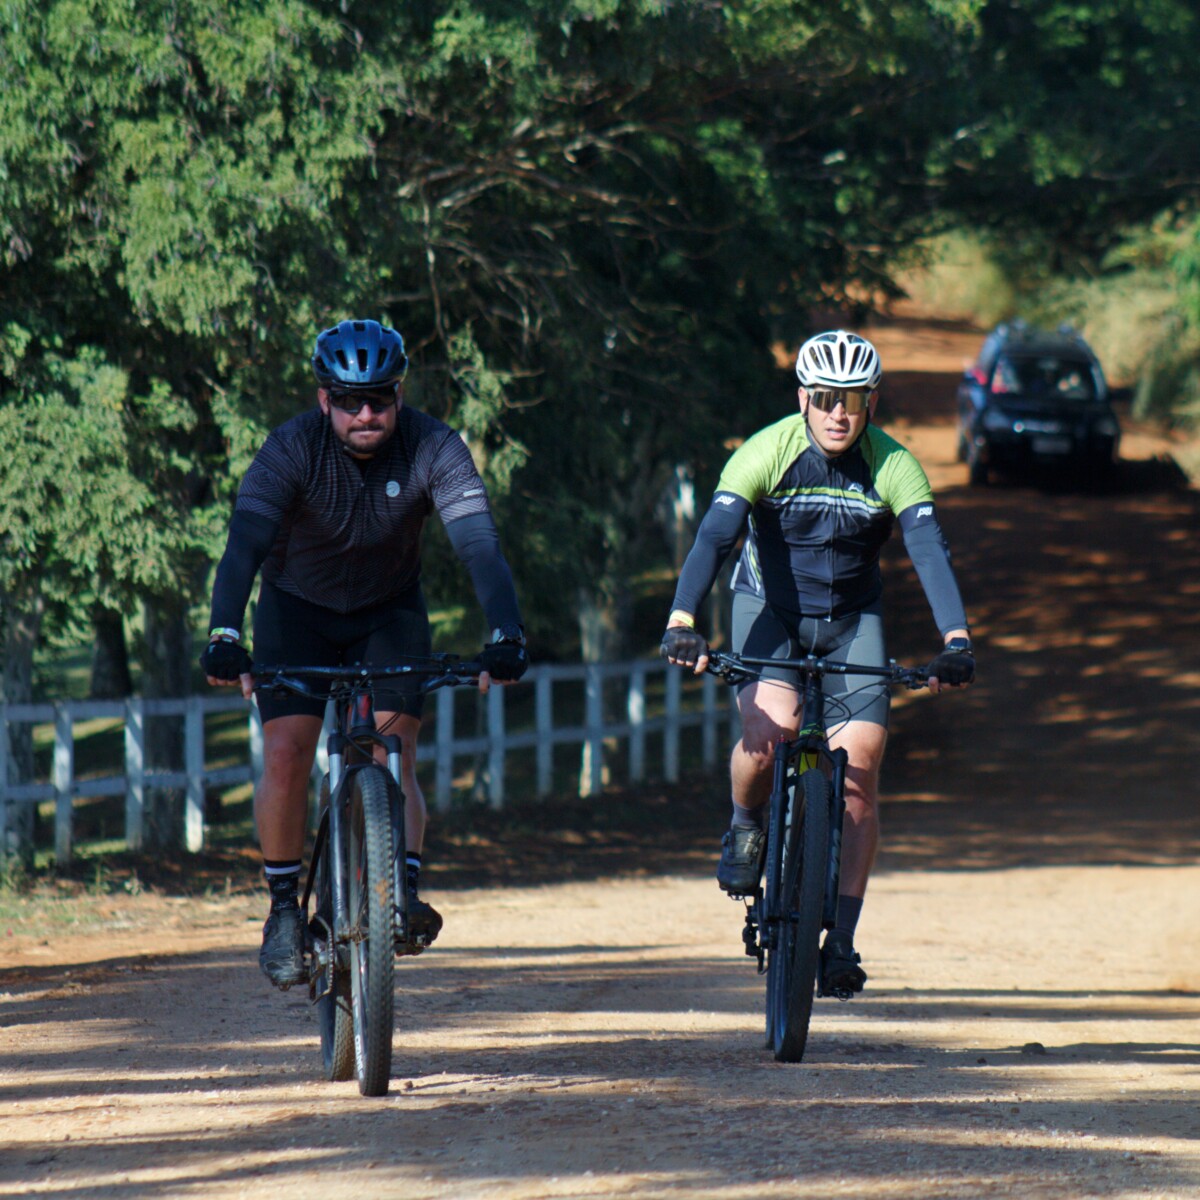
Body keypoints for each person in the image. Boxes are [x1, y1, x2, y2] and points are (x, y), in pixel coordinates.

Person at [201, 319, 528, 989]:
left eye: (379, 399)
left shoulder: (434, 446)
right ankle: (283, 910)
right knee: (287, 751)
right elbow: (244, 546)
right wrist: (225, 633)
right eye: (350, 401)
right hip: (296, 609)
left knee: (393, 748)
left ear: (399, 394)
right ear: (325, 400)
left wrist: (506, 632)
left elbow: (478, 545)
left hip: (389, 611)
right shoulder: (290, 448)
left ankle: (400, 890)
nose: (366, 414)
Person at [660, 330, 973, 997]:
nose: (838, 413)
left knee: (861, 768)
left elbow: (927, 549)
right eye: (826, 398)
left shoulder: (894, 464)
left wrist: (956, 639)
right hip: (769, 611)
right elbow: (715, 537)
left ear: (871, 403)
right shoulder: (766, 452)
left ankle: (843, 941)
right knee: (768, 733)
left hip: (853, 621)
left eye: (852, 400)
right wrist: (681, 620)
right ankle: (745, 827)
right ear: (803, 397)